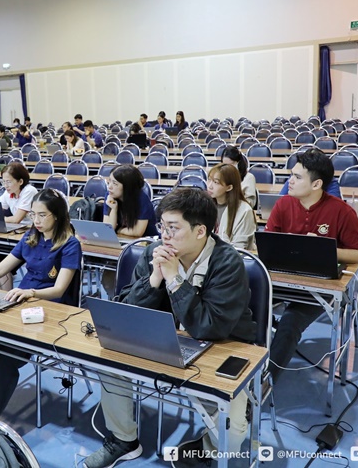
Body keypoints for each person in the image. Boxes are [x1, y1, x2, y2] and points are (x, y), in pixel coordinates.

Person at [84, 188, 256, 468]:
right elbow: (126, 310)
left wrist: (174, 279)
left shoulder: (228, 262)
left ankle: (209, 448)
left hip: (221, 346)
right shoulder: (153, 253)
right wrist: (154, 279)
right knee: (110, 361)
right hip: (167, 340)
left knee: (233, 428)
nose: (164, 234)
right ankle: (124, 440)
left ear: (200, 231)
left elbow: (209, 326)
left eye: (173, 228)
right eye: (162, 226)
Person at [0, 189, 82, 418]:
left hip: (48, 310)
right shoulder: (31, 236)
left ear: (57, 215)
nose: (36, 220)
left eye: (42, 215)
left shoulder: (70, 245)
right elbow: (1, 268)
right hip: (18, 302)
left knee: (1, 360)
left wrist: (30, 292)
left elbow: (59, 289)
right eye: (33, 214)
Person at [265, 150, 358, 382]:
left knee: (290, 324)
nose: (290, 181)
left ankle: (265, 385)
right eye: (291, 175)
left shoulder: (342, 211)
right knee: (245, 306)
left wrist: (324, 248)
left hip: (319, 286)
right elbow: (268, 242)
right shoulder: (283, 204)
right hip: (281, 279)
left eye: (297, 177)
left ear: (316, 184)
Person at [206, 164, 256, 249]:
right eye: (209, 180)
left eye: (216, 182)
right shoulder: (206, 205)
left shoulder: (244, 211)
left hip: (232, 255)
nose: (210, 186)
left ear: (229, 187)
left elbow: (240, 248)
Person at [103, 164, 156, 238]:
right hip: (122, 238)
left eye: (115, 184)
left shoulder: (142, 199)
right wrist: (114, 209)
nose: (109, 187)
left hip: (145, 240)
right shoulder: (110, 195)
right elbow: (107, 229)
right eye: (109, 181)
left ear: (127, 187)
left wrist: (119, 230)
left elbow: (137, 232)